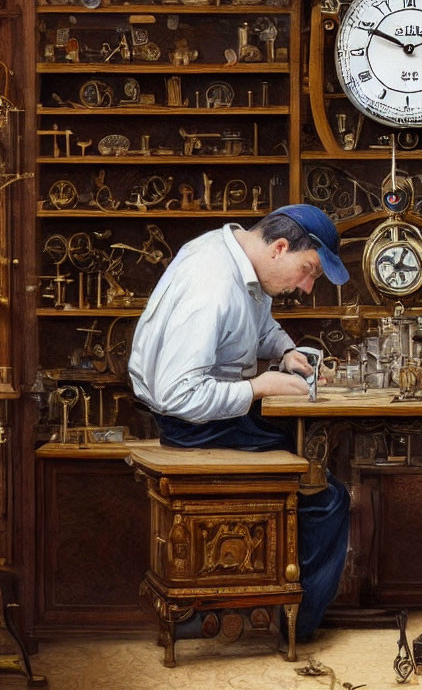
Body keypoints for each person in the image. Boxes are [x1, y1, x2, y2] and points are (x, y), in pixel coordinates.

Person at [128, 204, 350, 641]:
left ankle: (278, 602)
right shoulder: (211, 284)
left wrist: (287, 352)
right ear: (281, 247)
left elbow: (258, 327)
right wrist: (259, 388)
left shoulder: (241, 260)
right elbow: (178, 395)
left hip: (211, 411)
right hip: (191, 424)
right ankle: (295, 626)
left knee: (315, 453)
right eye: (308, 271)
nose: (306, 288)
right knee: (327, 498)